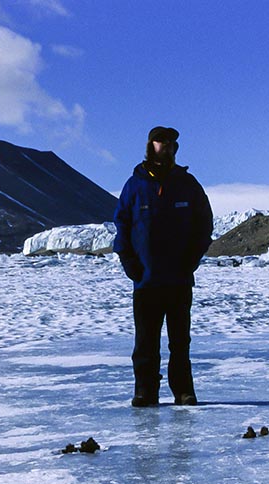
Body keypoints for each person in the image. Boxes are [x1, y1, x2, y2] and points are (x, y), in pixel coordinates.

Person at [113, 126, 213, 407]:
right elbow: (121, 224)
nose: (165, 146)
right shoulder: (135, 185)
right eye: (160, 142)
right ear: (150, 145)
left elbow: (204, 224)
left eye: (170, 143)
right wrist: (128, 261)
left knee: (180, 341)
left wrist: (191, 260)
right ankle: (145, 390)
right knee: (145, 341)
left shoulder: (187, 184)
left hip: (179, 279)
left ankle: (183, 391)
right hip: (145, 279)